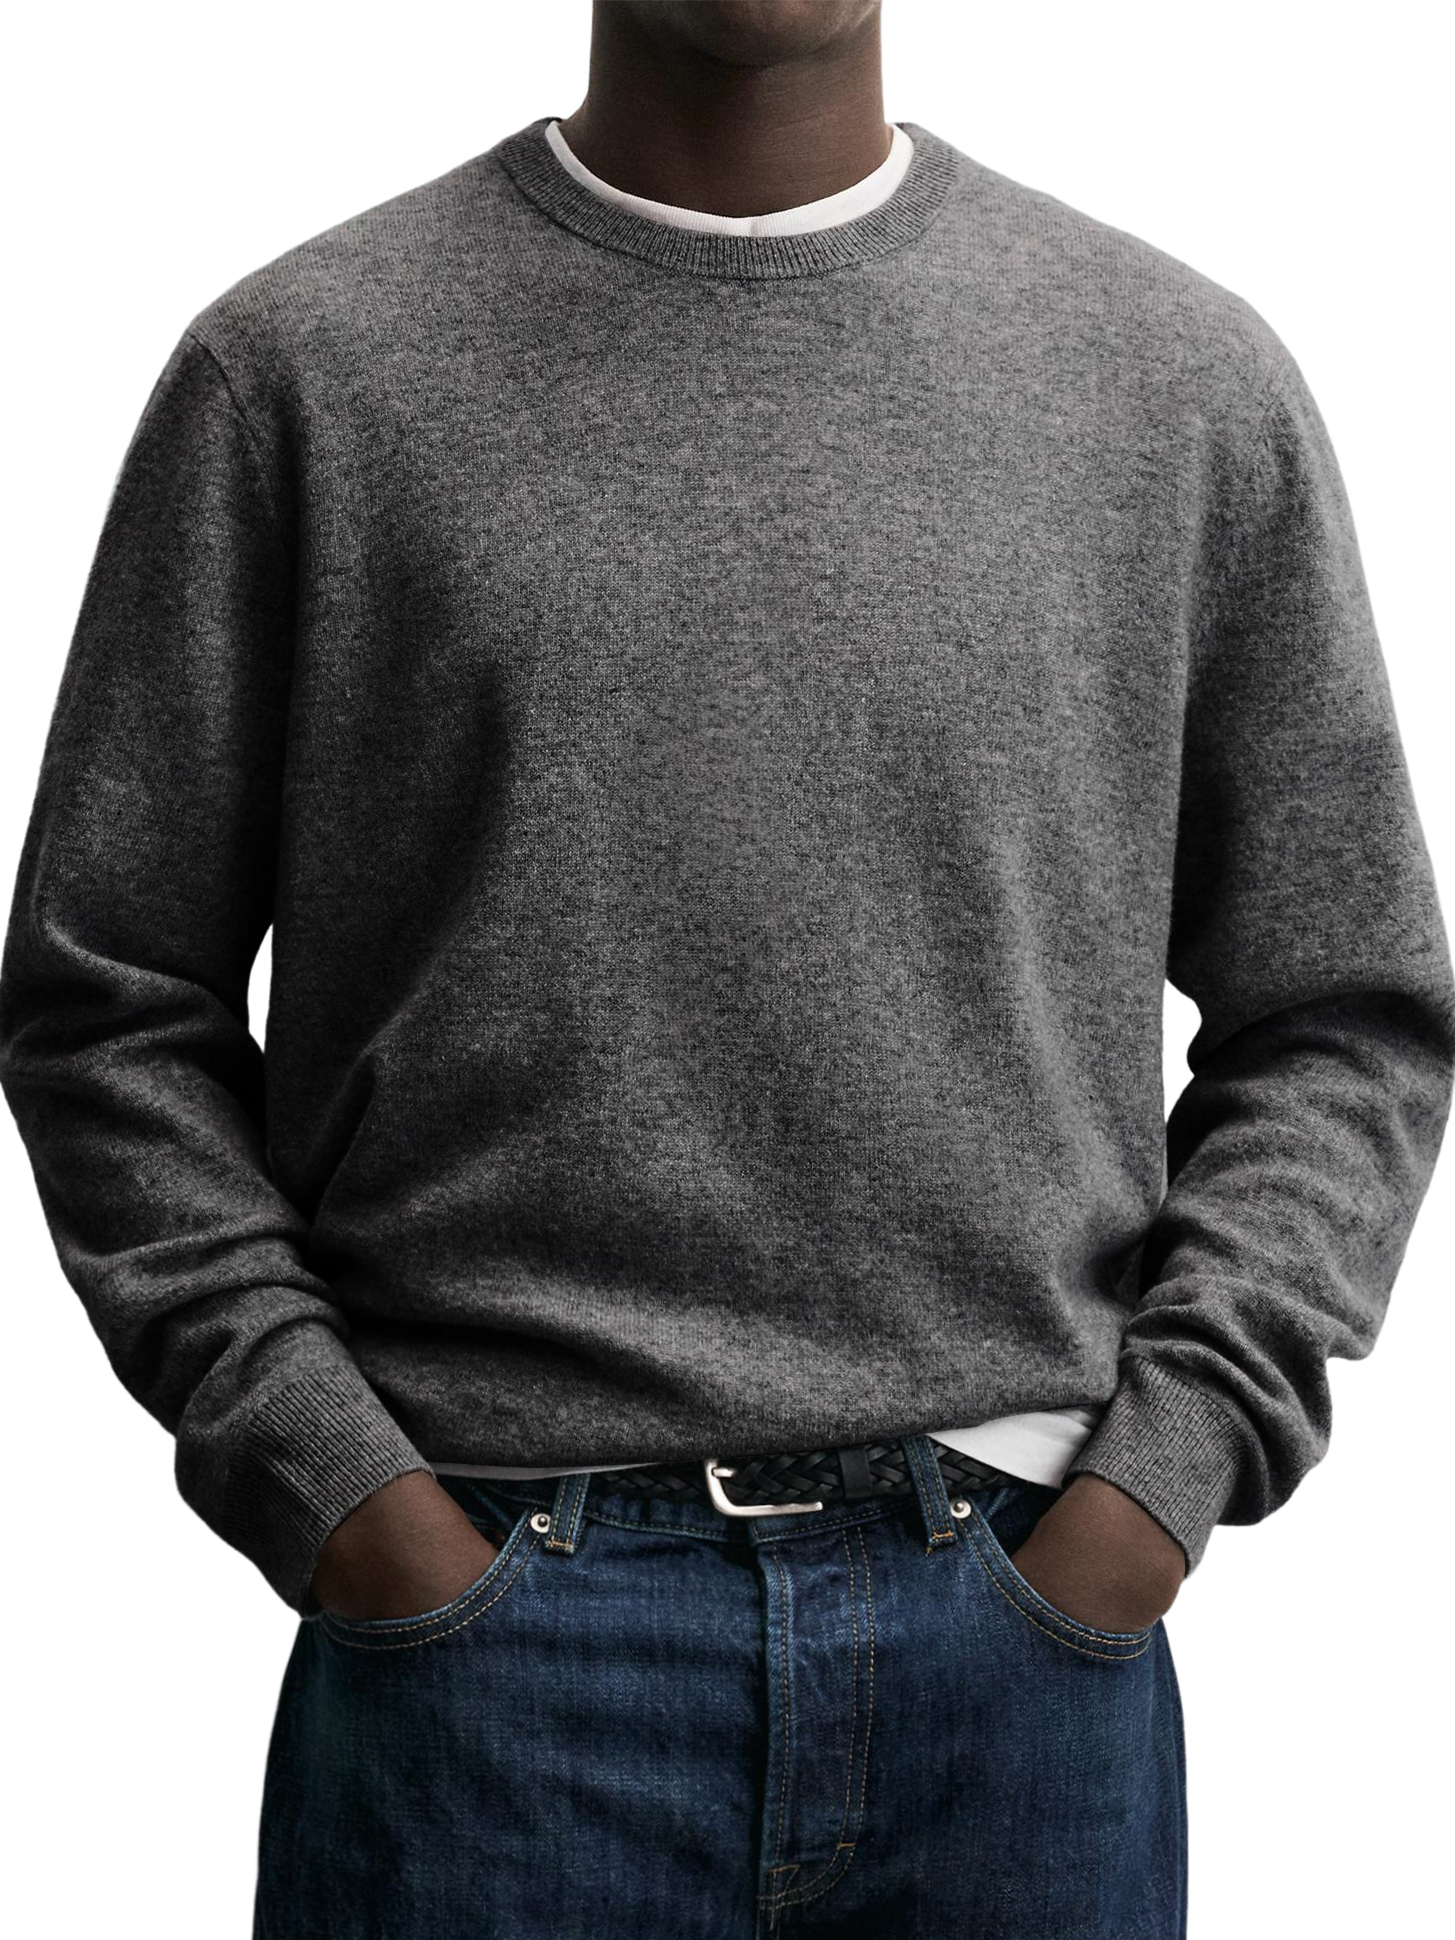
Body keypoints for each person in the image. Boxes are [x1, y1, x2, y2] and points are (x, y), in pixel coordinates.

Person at [3, 2, 1451, 1934]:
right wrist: (339, 1487)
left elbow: (1344, 1006)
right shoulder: (303, 374)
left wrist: (1157, 1481)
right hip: (485, 1659)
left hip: (1018, 1648)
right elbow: (108, 997)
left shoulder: (1174, 383)